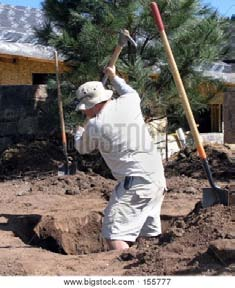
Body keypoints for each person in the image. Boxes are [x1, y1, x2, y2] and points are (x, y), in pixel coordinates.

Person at [74, 66, 166, 250]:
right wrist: (114, 77)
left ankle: (125, 273)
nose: (84, 112)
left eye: (85, 109)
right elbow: (128, 90)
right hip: (157, 179)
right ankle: (150, 268)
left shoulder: (95, 125)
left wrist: (79, 132)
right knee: (147, 235)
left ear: (93, 105)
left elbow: (82, 148)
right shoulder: (130, 101)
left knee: (113, 234)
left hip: (135, 183)